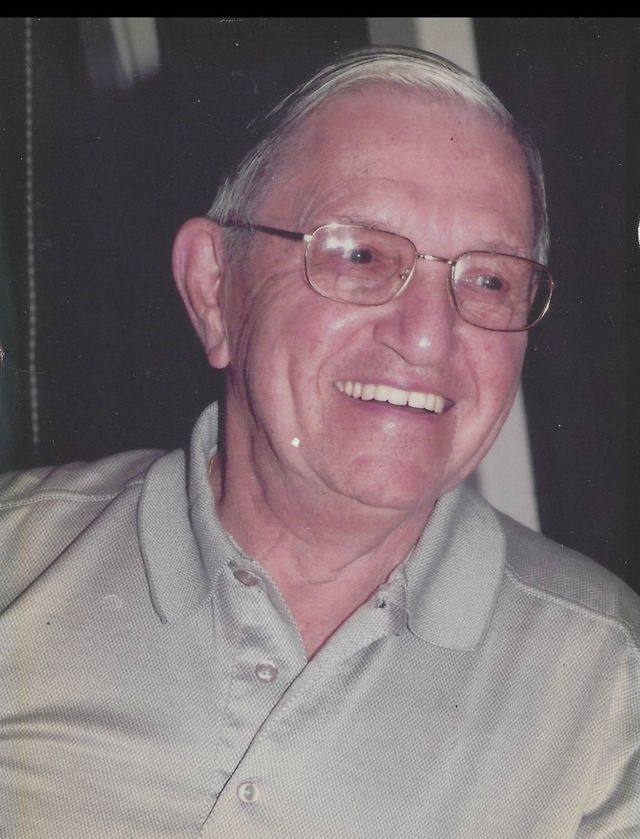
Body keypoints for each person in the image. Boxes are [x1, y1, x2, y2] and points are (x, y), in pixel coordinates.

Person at [0, 46, 638, 838]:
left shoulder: (608, 686)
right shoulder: (20, 564)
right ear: (214, 288)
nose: (428, 338)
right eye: (361, 255)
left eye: (489, 279)